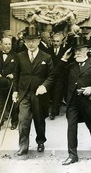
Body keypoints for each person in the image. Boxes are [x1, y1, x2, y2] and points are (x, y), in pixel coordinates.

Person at [55, 35, 91, 165]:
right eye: (76, 50)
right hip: (73, 102)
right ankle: (72, 155)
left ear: (88, 50)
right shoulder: (70, 66)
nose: (77, 53)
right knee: (71, 127)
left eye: (80, 50)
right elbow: (56, 74)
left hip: (88, 102)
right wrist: (63, 59)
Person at [12, 26, 54, 156]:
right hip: (24, 93)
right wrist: (15, 91)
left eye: (33, 40)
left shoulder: (46, 57)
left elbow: (52, 75)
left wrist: (44, 86)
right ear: (24, 42)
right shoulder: (20, 56)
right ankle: (23, 146)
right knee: (23, 120)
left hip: (39, 94)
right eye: (28, 41)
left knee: (39, 119)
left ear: (38, 41)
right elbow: (16, 75)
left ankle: (40, 141)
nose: (30, 43)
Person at [0, 37, 18, 132]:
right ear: (1, 45)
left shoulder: (16, 56)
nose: (8, 46)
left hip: (11, 84)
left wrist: (13, 74)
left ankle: (14, 122)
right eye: (5, 44)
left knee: (13, 104)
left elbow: (19, 70)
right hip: (0, 84)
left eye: (9, 44)